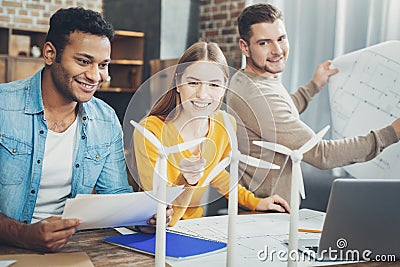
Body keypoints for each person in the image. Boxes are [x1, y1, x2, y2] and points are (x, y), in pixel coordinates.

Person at [0, 7, 171, 252]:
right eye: (83, 61)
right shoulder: (4, 106)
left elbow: (115, 196)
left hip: (72, 248)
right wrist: (23, 235)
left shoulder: (106, 119)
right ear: (50, 54)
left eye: (103, 65)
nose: (95, 75)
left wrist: (143, 218)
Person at [226, 3, 400, 202]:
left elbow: (279, 113)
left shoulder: (249, 79)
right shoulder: (257, 95)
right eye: (264, 43)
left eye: (281, 39)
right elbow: (321, 154)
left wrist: (314, 85)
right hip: (264, 216)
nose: (277, 50)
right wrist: (393, 132)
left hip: (272, 212)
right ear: (244, 47)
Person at [133, 41, 290, 227]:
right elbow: (162, 213)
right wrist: (186, 180)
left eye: (214, 85)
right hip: (152, 230)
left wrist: (255, 202)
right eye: (193, 83)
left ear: (225, 88)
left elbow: (216, 174)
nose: (203, 94)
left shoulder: (224, 124)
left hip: (195, 228)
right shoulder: (149, 131)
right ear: (177, 83)